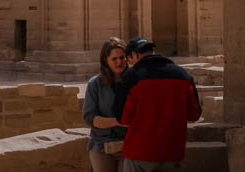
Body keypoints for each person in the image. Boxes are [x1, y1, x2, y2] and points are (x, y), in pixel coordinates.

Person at [114, 37, 201, 172]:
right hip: (172, 152)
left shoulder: (132, 76)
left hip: (139, 152)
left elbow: (122, 118)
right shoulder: (183, 75)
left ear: (134, 55)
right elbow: (194, 114)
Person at [83, 37, 129, 172]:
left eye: (122, 57)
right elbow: (90, 118)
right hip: (101, 145)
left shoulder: (134, 82)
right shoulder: (95, 84)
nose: (119, 62)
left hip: (129, 145)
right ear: (106, 61)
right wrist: (118, 121)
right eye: (114, 59)